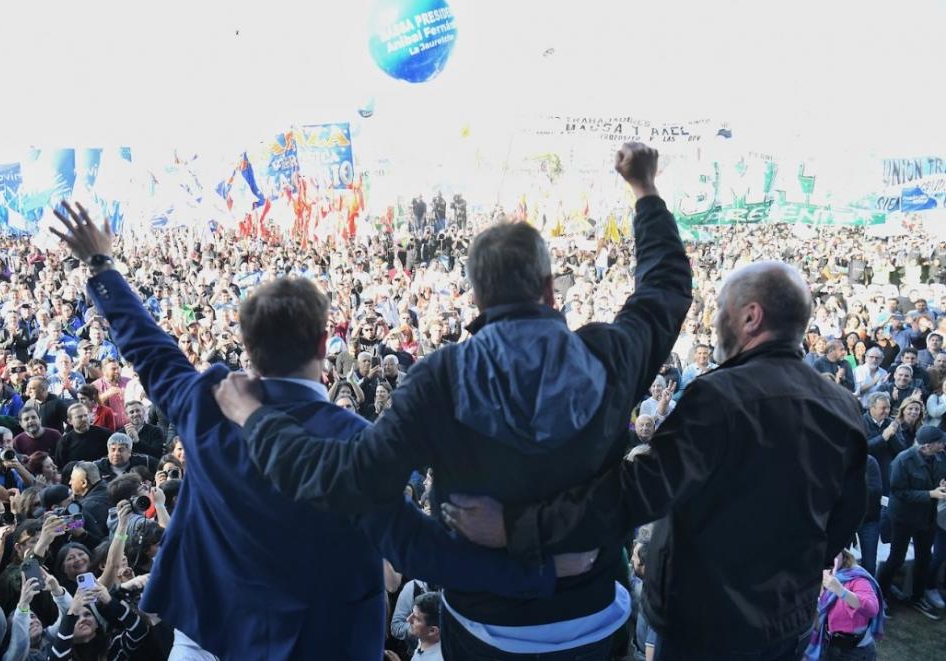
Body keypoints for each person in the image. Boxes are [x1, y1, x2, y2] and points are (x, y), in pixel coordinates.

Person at [48, 201, 596, 660]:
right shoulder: (358, 441)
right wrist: (540, 572)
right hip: (327, 644)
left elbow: (149, 349)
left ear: (249, 347)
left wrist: (100, 264)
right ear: (321, 345)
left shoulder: (207, 402)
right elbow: (420, 548)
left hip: (214, 635)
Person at [214, 143, 693, 658]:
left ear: (478, 298)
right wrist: (644, 189)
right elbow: (664, 290)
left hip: (483, 630)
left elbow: (349, 481)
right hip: (595, 618)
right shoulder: (611, 354)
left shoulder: (439, 379)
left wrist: (255, 418)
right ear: (550, 290)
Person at [442, 261, 868, 660]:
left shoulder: (720, 398)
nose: (714, 321)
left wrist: (515, 528)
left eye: (721, 308)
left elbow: (633, 494)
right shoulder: (843, 406)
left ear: (751, 317)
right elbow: (845, 518)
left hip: (706, 627)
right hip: (788, 624)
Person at [876, 425, 946, 619]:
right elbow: (899, 492)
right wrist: (930, 494)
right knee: (896, 558)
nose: (943, 444)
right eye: (940, 442)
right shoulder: (903, 460)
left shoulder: (939, 457)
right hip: (903, 518)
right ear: (926, 446)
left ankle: (917, 597)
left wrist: (941, 484)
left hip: (927, 517)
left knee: (924, 558)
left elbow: (939, 478)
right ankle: (880, 596)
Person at [804, 549, 884, 661]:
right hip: (828, 645)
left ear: (843, 553)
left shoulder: (856, 578)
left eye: (833, 549)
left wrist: (840, 590)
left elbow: (872, 608)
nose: (828, 556)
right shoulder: (817, 576)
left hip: (855, 652)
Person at [54, 403, 112, 470]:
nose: (84, 419)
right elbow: (61, 469)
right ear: (70, 421)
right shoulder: (64, 443)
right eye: (79, 417)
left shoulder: (104, 434)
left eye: (86, 415)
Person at [406, 591, 443, 661]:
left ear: (432, 631)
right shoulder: (424, 638)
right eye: (412, 613)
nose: (408, 619)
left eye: (416, 618)